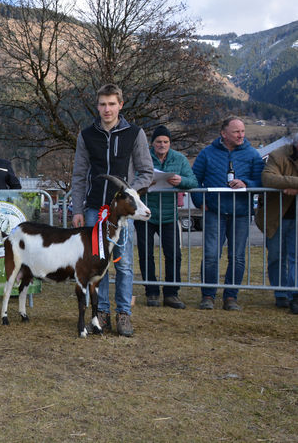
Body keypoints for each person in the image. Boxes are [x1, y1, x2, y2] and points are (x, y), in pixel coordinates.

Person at [71, 84, 153, 337]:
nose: (107, 109)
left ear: (120, 104)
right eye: (103, 104)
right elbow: (79, 175)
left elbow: (147, 173)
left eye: (112, 104)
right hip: (95, 209)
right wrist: (77, 208)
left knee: (125, 264)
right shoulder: (86, 135)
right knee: (99, 264)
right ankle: (102, 312)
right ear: (97, 106)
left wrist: (127, 192)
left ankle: (124, 315)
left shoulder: (135, 133)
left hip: (122, 213)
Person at [192, 117, 264, 311]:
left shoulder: (252, 154)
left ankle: (231, 297)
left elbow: (261, 180)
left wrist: (247, 184)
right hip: (214, 212)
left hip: (240, 213)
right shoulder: (207, 153)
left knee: (238, 256)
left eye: (242, 131)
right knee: (211, 255)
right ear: (224, 133)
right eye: (236, 131)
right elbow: (194, 179)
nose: (241, 135)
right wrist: (200, 202)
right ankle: (208, 296)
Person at [135, 125, 197, 309]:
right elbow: (133, 179)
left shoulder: (179, 159)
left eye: (166, 142)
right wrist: (145, 182)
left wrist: (181, 181)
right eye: (158, 142)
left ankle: (171, 293)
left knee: (174, 255)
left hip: (169, 214)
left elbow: (193, 181)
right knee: (146, 255)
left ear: (170, 143)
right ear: (152, 143)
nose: (162, 145)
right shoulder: (142, 156)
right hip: (146, 213)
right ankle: (151, 292)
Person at [255, 132, 298, 314]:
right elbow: (268, 178)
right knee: (276, 257)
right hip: (277, 216)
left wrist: (291, 185)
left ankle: (294, 295)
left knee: (295, 257)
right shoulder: (278, 155)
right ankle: (280, 294)